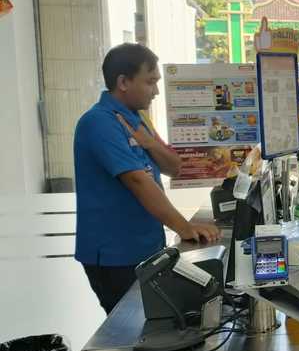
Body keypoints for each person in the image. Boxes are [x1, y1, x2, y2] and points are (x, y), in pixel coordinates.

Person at [74, 43, 220, 314]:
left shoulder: (137, 119)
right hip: (115, 255)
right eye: (150, 82)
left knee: (160, 319)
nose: (156, 91)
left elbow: (174, 167)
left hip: (147, 247)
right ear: (123, 82)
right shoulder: (99, 122)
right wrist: (184, 228)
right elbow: (138, 181)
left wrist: (149, 142)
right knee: (133, 327)